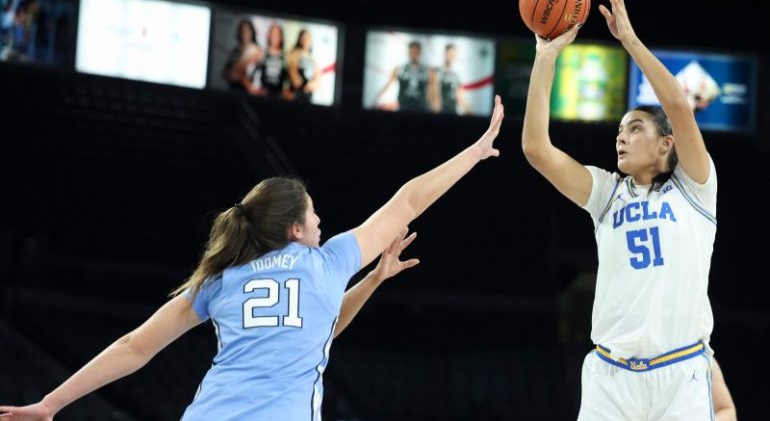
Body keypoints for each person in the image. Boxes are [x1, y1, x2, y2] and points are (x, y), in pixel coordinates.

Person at [0, 96, 505, 421]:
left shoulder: (223, 277)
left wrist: (51, 404)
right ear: (294, 230)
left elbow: (135, 348)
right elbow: (409, 201)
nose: (322, 224)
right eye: (315, 217)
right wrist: (474, 152)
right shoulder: (327, 262)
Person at [521, 0, 718, 419]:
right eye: (618, 131)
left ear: (666, 144)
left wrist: (628, 39)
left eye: (635, 128)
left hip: (680, 373)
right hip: (610, 377)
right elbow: (535, 148)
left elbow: (680, 108)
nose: (621, 138)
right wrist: (546, 56)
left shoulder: (696, 190)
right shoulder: (607, 194)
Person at [374, 41, 431, 112]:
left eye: (416, 52)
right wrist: (377, 98)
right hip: (403, 107)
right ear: (408, 53)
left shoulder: (427, 71)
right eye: (412, 52)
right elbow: (387, 85)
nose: (414, 54)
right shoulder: (399, 69)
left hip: (421, 107)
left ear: (419, 53)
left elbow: (433, 91)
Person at [222, 18, 263, 95]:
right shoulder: (235, 50)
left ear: (252, 32)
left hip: (249, 92)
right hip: (233, 90)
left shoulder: (257, 50)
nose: (245, 34)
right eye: (242, 31)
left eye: (247, 31)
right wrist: (230, 74)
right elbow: (225, 72)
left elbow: (239, 70)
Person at [430, 43, 470, 115]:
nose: (451, 56)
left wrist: (470, 113)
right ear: (445, 54)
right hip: (440, 111)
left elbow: (460, 98)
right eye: (449, 54)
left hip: (452, 112)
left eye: (453, 54)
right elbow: (434, 94)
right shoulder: (436, 71)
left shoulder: (456, 76)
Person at [287, 29, 320, 103]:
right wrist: (305, 85)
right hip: (295, 95)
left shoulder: (313, 60)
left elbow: (318, 82)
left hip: (308, 97)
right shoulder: (294, 54)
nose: (306, 41)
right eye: (303, 38)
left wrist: (311, 84)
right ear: (300, 40)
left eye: (308, 39)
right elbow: (295, 81)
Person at [257, 22, 289, 99]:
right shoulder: (262, 52)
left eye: (278, 34)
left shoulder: (286, 55)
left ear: (281, 37)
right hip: (263, 94)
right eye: (273, 34)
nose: (275, 37)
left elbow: (288, 78)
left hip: (279, 95)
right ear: (269, 36)